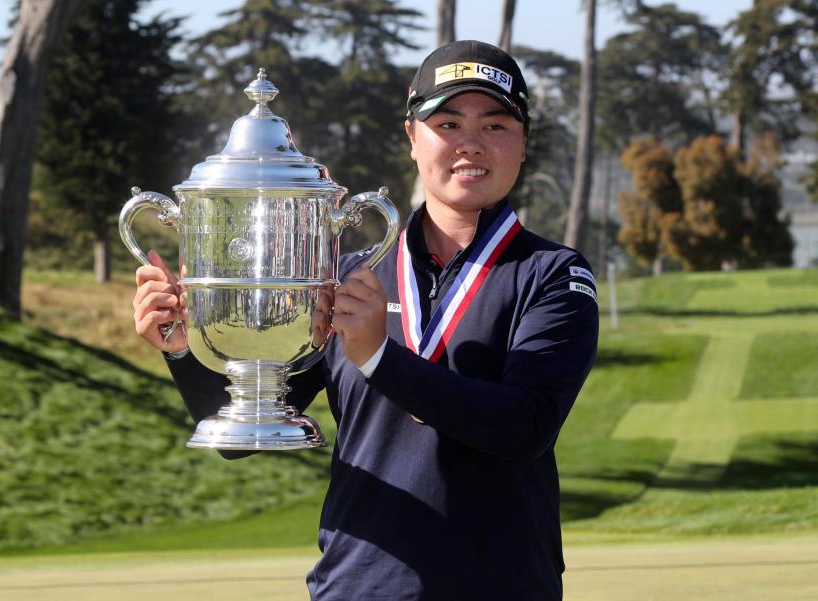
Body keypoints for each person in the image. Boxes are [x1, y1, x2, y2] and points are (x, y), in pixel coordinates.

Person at [133, 40, 599, 600]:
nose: (470, 144)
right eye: (448, 123)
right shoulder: (347, 278)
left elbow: (524, 428)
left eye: (495, 126)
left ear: (523, 143)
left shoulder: (553, 274)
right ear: (413, 138)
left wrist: (379, 357)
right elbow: (244, 431)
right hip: (358, 587)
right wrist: (185, 347)